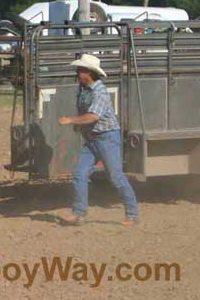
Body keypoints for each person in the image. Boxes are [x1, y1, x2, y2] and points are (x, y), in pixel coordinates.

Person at [57, 54, 139, 227]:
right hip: (93, 138)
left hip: (106, 137)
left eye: (80, 70)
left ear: (89, 73)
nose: (77, 73)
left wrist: (72, 120)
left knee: (116, 176)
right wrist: (79, 124)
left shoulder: (99, 91)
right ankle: (79, 214)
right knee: (80, 174)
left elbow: (94, 116)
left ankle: (132, 214)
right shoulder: (84, 89)